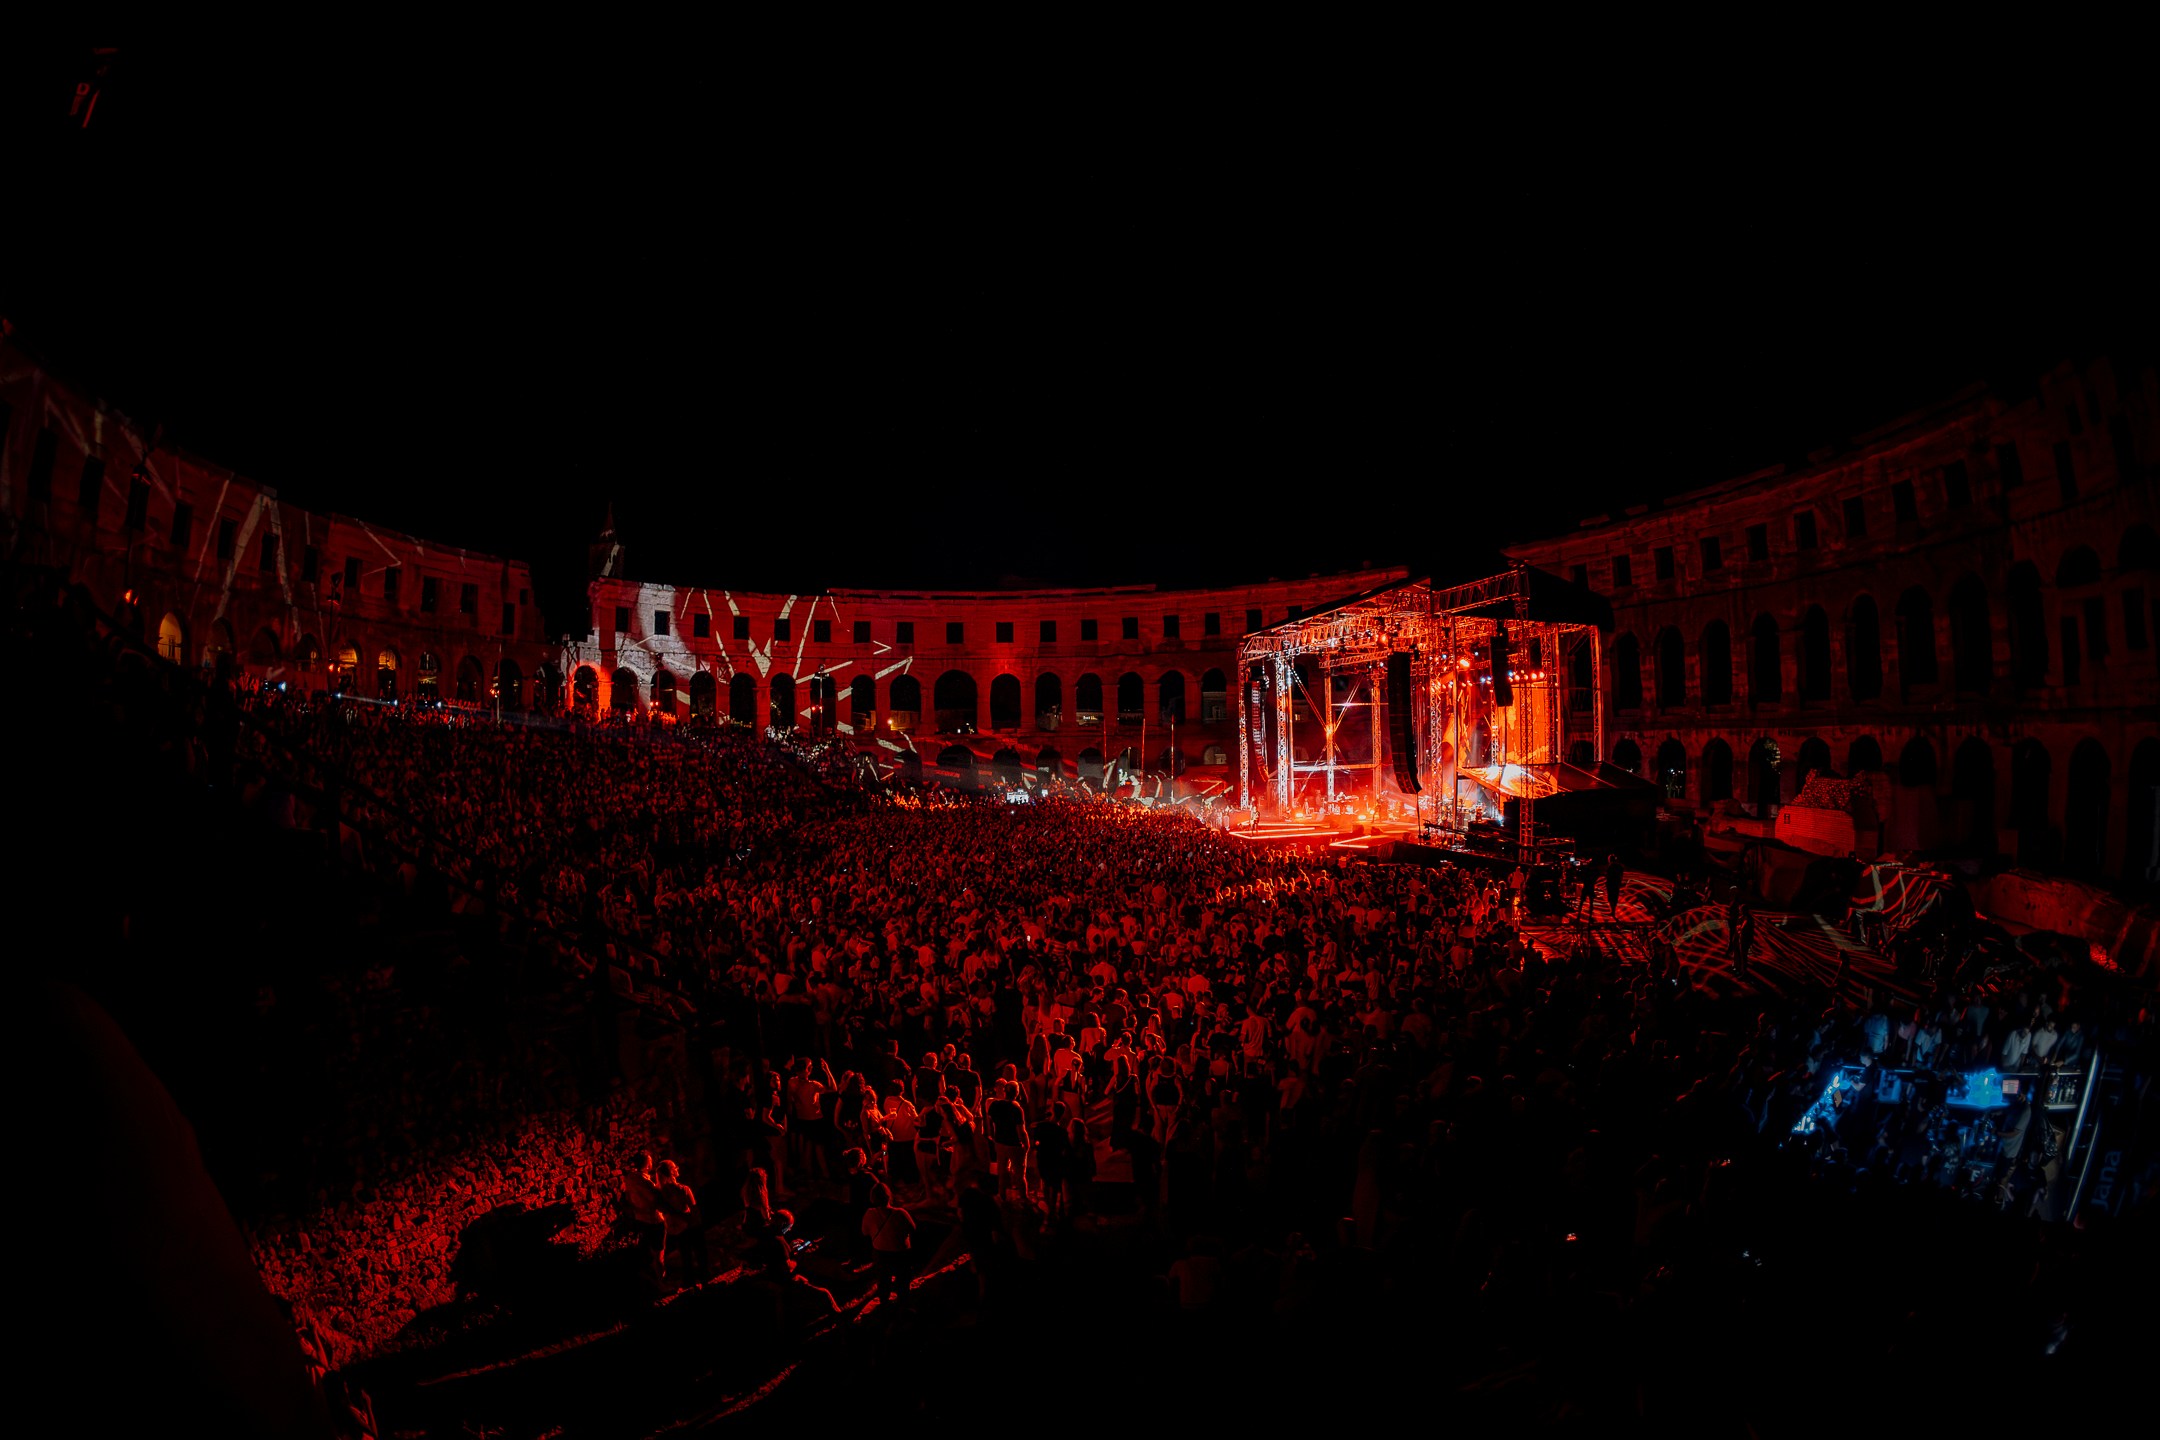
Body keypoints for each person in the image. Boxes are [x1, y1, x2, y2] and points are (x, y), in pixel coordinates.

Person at [860, 1182, 917, 1304]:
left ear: (873, 1198)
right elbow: (913, 1229)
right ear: (889, 1196)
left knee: (883, 1280)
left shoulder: (870, 1213)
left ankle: (884, 1303)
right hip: (901, 1253)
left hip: (881, 1254)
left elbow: (864, 1232)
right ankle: (903, 1303)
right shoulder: (901, 1213)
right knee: (903, 1280)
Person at [655, 1160, 699, 1283]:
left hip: (669, 1227)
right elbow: (693, 1208)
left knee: (666, 1256)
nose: (677, 1168)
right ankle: (689, 1280)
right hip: (683, 1226)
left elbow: (660, 1207)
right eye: (675, 1167)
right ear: (671, 1171)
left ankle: (667, 1280)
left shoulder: (658, 1191)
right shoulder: (683, 1189)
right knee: (686, 1255)